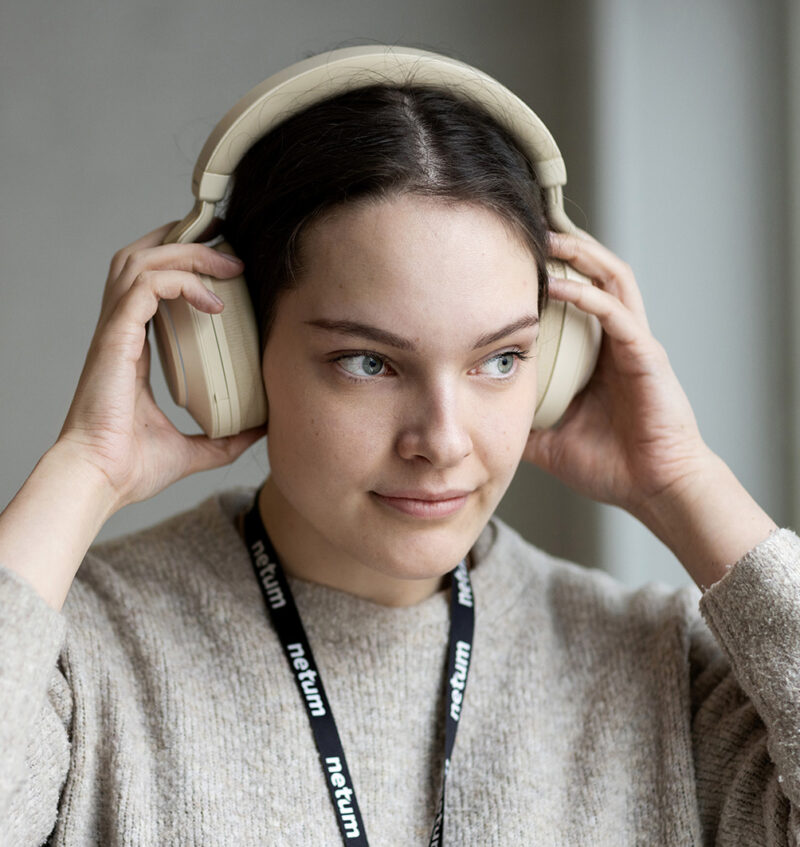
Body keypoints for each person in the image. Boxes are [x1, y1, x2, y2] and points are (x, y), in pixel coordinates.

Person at [0, 46, 796, 846]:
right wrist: (85, 466)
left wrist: (684, 481)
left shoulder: (664, 672)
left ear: (555, 361)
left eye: (501, 359)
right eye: (368, 362)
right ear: (232, 356)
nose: (442, 441)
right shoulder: (74, 657)